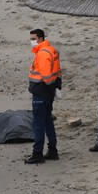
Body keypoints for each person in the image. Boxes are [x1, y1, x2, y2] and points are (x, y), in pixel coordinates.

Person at [26, 28, 61, 164]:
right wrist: (57, 87)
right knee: (47, 121)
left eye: (33, 39)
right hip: (49, 92)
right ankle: (52, 150)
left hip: (41, 92)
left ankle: (37, 153)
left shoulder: (42, 54)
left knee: (39, 124)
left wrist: (48, 84)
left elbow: (46, 77)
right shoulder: (52, 50)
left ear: (40, 38)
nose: (32, 42)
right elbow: (58, 71)